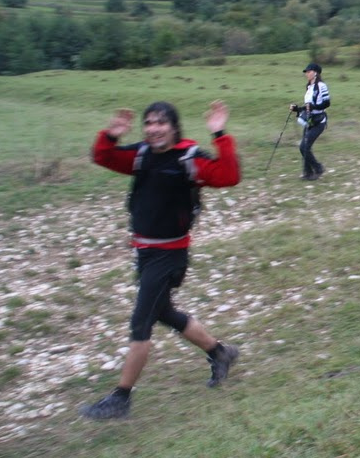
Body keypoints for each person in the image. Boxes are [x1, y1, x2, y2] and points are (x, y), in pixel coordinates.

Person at [79, 100, 241, 420]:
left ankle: (120, 398)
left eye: (161, 123)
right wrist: (110, 136)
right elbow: (102, 156)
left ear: (174, 127)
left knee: (142, 323)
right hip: (146, 252)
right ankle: (220, 353)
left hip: (169, 255)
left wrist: (220, 134)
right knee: (163, 311)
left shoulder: (187, 158)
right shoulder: (141, 156)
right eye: (149, 123)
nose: (153, 128)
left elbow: (228, 175)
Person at [289, 62, 330, 180]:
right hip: (309, 121)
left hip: (319, 121)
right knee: (306, 147)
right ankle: (307, 173)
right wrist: (297, 109)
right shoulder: (309, 87)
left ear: (315, 73)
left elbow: (327, 103)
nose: (307, 73)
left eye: (309, 71)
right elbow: (308, 106)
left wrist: (313, 107)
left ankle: (318, 168)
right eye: (306, 72)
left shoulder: (321, 86)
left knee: (304, 147)